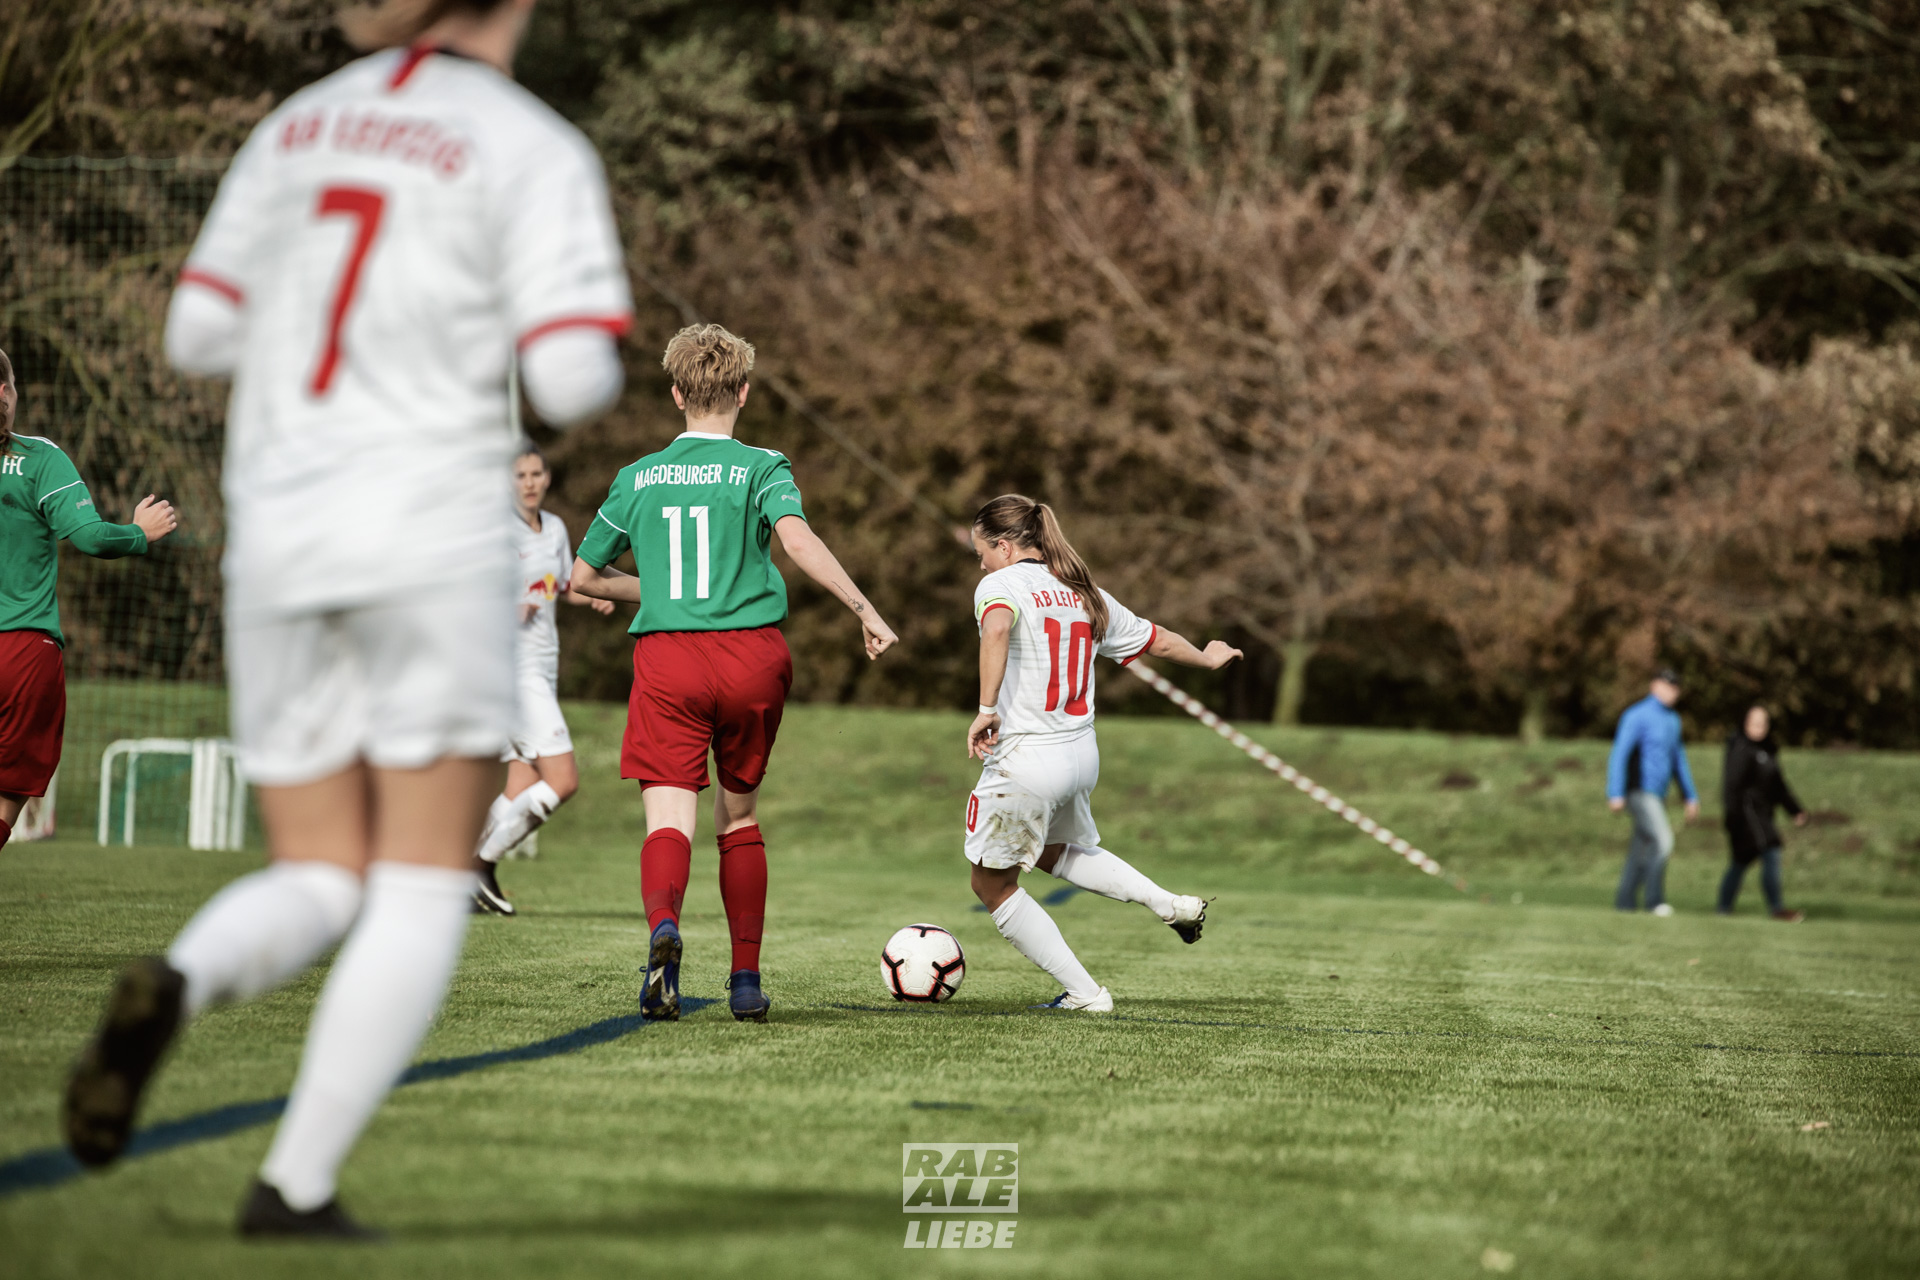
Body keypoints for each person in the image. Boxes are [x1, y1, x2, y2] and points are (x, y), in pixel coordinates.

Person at [64, 0, 630, 1238]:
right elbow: (576, 373)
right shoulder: (531, 144)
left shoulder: (299, 121)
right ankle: (295, 1184)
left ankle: (181, 978)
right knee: (422, 880)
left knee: (321, 865)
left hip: (279, 533)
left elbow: (197, 327)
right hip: (425, 531)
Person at [569, 323, 896, 1025]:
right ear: (743, 392)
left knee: (669, 817)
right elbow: (798, 540)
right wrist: (863, 609)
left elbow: (581, 578)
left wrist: (647, 591)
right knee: (739, 813)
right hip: (752, 656)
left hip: (670, 659)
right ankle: (746, 980)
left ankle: (664, 931)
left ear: (677, 392)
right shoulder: (763, 466)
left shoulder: (637, 477)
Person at [963, 495, 1237, 1012]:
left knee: (990, 883)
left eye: (982, 551)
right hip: (1079, 755)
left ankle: (1086, 994)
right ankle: (1170, 904)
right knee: (1051, 851)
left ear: (1003, 545)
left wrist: (985, 708)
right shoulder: (1083, 592)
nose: (980, 562)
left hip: (1027, 756)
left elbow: (997, 627)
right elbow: (1154, 640)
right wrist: (1204, 658)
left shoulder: (998, 585)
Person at [0, 348, 179, 853]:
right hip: (22, 653)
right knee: (7, 797)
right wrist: (139, 532)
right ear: (5, 393)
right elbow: (93, 538)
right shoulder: (39, 460)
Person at [471, 440, 617, 915]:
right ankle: (477, 865)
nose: (529, 483)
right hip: (513, 673)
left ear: (547, 478)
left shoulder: (553, 528)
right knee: (563, 779)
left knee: (520, 785)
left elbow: (561, 585)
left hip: (542, 667)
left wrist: (591, 595)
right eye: (520, 475)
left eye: (536, 474)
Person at [1606, 668, 1699, 916]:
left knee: (1641, 848)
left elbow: (1679, 760)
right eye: (1668, 686)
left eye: (1676, 687)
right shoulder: (1637, 715)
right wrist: (1615, 792)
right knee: (1663, 841)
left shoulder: (1673, 720)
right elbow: (1620, 754)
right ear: (1655, 686)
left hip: (1659, 794)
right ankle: (1654, 900)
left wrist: (1690, 795)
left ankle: (1625, 902)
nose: (1673, 692)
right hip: (1638, 791)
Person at [1718, 705, 1808, 922]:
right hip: (1745, 814)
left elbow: (1779, 786)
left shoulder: (1768, 751)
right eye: (1755, 722)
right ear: (1745, 723)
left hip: (1763, 813)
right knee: (1771, 849)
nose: (1760, 726)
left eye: (1763, 722)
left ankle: (1723, 908)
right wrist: (1732, 817)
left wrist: (1794, 810)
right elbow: (1731, 786)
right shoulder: (1740, 748)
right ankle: (1776, 908)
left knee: (1740, 861)